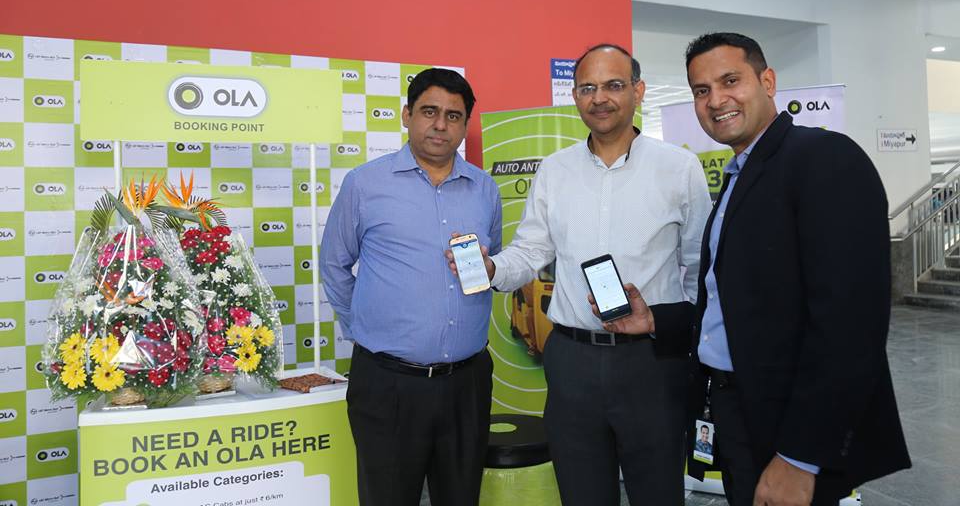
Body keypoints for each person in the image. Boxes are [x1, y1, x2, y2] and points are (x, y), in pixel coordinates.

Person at [597, 33, 911, 506]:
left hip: (789, 425)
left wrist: (801, 457)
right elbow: (740, 304)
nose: (715, 100)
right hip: (737, 410)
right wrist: (656, 319)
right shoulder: (740, 176)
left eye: (730, 81)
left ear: (767, 81)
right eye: (701, 90)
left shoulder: (825, 159)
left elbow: (850, 327)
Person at [454, 43, 711, 505]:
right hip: (572, 362)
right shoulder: (555, 170)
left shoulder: (679, 168)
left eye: (613, 85)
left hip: (651, 364)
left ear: (638, 91)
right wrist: (492, 268)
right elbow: (531, 250)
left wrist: (678, 332)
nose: (600, 98)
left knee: (657, 493)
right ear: (574, 97)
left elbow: (699, 267)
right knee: (581, 494)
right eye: (588, 88)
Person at [320, 68, 502, 506]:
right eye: (429, 111)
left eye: (453, 116)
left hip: (467, 384)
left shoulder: (484, 189)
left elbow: (489, 265)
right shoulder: (365, 184)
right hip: (388, 385)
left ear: (465, 124)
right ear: (407, 115)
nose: (440, 125)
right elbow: (334, 265)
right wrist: (366, 328)